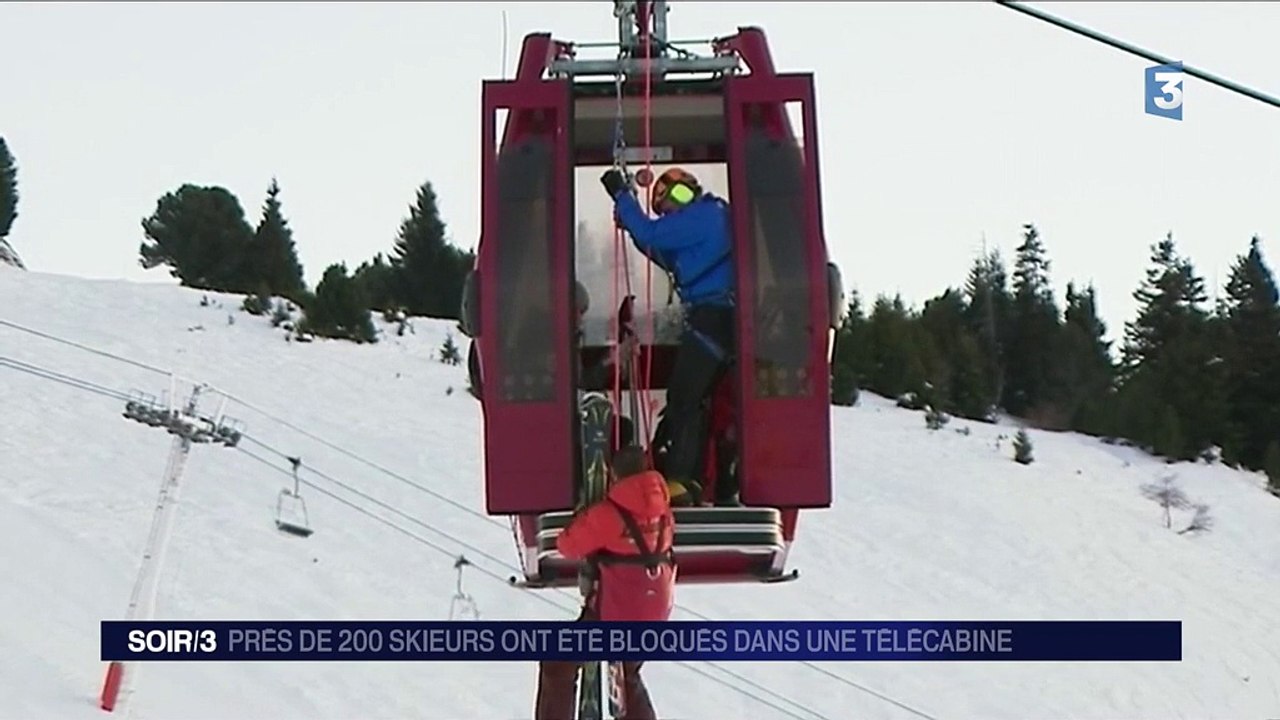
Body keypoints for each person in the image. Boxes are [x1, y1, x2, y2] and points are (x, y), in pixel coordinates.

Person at [600, 166, 735, 506]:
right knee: (694, 400)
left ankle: (679, 480)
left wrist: (623, 196)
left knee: (685, 399)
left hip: (712, 317)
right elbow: (654, 245)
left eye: (682, 194)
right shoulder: (706, 223)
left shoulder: (706, 214)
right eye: (669, 203)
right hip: (716, 318)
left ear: (694, 191)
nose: (678, 205)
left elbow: (651, 233)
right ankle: (687, 479)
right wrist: (633, 225)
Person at [534, 445, 676, 720]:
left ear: (612, 474)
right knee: (626, 674)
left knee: (557, 663)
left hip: (614, 612)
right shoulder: (663, 511)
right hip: (654, 609)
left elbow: (567, 545)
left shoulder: (610, 514)